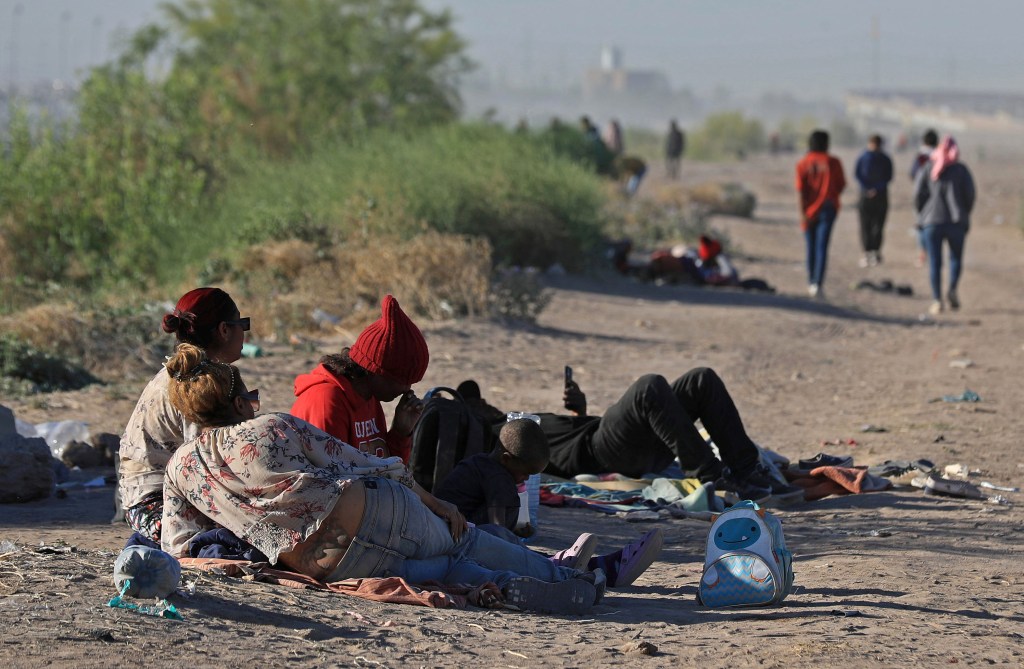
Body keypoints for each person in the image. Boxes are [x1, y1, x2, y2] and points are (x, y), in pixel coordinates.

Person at [160, 344, 615, 614]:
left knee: (446, 572)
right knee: (462, 540)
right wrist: (437, 504)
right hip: (377, 510)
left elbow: (181, 549)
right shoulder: (272, 426)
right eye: (252, 395)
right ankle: (565, 577)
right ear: (240, 404)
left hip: (335, 564)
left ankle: (505, 584)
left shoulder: (179, 469)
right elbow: (368, 464)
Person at [462, 370, 803, 504]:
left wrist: (579, 410)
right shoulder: (497, 435)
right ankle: (713, 477)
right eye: (476, 401)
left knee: (702, 380)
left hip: (613, 439)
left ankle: (747, 472)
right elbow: (528, 463)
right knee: (648, 388)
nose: (484, 400)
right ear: (473, 411)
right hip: (601, 452)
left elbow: (556, 442)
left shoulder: (518, 421)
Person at [432, 418, 661, 584]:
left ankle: (600, 567)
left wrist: (519, 530)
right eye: (525, 472)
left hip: (454, 539)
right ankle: (587, 566)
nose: (526, 479)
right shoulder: (497, 476)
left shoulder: (483, 465)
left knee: (517, 548)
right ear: (506, 459)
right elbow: (495, 533)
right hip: (457, 545)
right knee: (508, 544)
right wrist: (514, 540)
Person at [118, 287, 249, 543]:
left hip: (152, 495)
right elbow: (207, 462)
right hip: (156, 505)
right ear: (224, 330)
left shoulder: (191, 372)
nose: (244, 333)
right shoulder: (196, 382)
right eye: (242, 325)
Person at [291, 295, 426, 463]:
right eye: (403, 381)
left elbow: (388, 471)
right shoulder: (326, 400)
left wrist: (401, 432)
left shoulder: (368, 396)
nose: (407, 390)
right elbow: (331, 481)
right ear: (377, 371)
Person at [914, 135, 975, 315]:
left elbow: (918, 194)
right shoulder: (961, 170)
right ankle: (953, 290)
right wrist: (964, 213)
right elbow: (970, 195)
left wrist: (923, 214)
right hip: (956, 222)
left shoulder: (928, 167)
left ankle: (937, 300)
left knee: (935, 262)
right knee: (955, 259)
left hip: (931, 222)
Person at [795, 129, 846, 299]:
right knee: (822, 247)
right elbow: (841, 185)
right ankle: (818, 283)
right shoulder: (833, 162)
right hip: (827, 208)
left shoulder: (802, 163)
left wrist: (803, 212)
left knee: (810, 247)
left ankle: (811, 281)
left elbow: (801, 191)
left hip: (808, 211)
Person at [854, 134, 894, 267]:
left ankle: (874, 252)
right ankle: (868, 252)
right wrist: (869, 189)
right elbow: (858, 175)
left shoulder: (884, 159)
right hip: (870, 196)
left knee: (877, 226)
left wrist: (873, 189)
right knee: (866, 226)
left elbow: (888, 176)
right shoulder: (864, 158)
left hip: (878, 196)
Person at [910, 129, 939, 267]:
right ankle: (932, 253)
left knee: (921, 225)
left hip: (922, 197)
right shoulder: (940, 156)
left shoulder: (920, 157)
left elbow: (913, 174)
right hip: (938, 197)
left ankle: (923, 253)